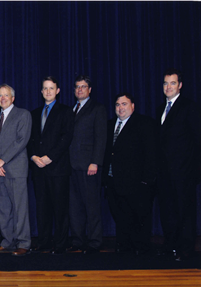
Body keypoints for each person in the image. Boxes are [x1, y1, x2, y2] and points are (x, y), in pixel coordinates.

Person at [103, 92, 157, 255]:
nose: (120, 108)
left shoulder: (144, 123)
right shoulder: (109, 124)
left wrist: (146, 180)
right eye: (118, 105)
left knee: (139, 217)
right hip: (114, 181)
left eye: (124, 104)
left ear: (133, 106)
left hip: (137, 182)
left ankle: (141, 248)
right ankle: (124, 246)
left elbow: (151, 153)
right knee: (120, 215)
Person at [156, 69, 201, 261]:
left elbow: (198, 140)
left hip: (184, 173)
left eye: (172, 83)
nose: (168, 87)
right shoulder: (161, 109)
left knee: (185, 212)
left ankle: (186, 250)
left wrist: (194, 171)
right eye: (165, 83)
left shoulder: (189, 107)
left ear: (180, 85)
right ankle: (170, 246)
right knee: (168, 211)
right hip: (165, 173)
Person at [29, 76, 74, 255]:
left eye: (51, 88)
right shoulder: (34, 113)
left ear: (58, 91)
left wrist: (49, 157)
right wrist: (33, 156)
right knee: (42, 208)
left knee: (60, 208)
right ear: (41, 92)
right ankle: (44, 242)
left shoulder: (66, 111)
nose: (48, 91)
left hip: (57, 168)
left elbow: (66, 138)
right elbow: (30, 139)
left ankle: (60, 244)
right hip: (38, 168)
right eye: (45, 88)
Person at [0, 83, 32, 257]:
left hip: (15, 170)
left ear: (13, 98)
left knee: (20, 209)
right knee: (3, 209)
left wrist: (2, 161)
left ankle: (23, 243)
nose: (3, 98)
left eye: (6, 95)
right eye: (0, 95)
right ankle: (7, 241)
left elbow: (21, 141)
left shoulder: (23, 115)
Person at [68, 75, 107, 254]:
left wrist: (95, 161)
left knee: (91, 206)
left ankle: (94, 241)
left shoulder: (97, 109)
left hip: (89, 166)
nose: (80, 90)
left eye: (83, 87)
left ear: (90, 90)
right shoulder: (72, 109)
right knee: (75, 207)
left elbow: (101, 138)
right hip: (72, 165)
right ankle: (77, 240)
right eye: (77, 87)